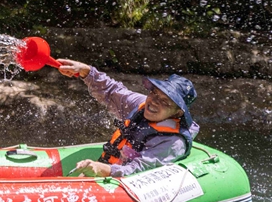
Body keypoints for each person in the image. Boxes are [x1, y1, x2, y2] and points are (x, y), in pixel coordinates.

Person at [56, 60, 199, 178]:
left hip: (125, 184)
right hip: (108, 169)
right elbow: (112, 91)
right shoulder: (140, 104)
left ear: (178, 113)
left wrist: (102, 170)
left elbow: (141, 170)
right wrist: (85, 71)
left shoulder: (173, 142)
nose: (154, 101)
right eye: (154, 93)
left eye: (165, 101)